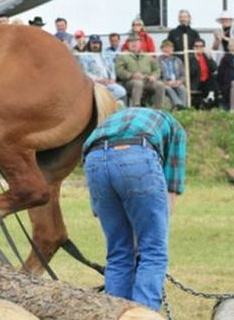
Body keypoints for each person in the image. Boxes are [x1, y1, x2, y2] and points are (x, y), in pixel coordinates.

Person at [83, 107, 186, 311]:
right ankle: (143, 313)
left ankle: (114, 313)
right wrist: (149, 232)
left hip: (94, 161)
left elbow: (87, 151)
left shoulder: (112, 122)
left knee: (118, 252)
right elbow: (171, 190)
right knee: (153, 251)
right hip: (137, 156)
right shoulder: (175, 128)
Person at [116, 35, 165, 108]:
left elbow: (157, 68)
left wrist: (154, 76)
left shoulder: (147, 56)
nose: (134, 44)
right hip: (129, 82)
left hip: (146, 81)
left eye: (136, 42)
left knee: (160, 84)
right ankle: (136, 108)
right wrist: (132, 75)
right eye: (131, 42)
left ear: (140, 44)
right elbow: (119, 71)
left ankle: (158, 109)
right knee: (138, 83)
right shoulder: (122, 56)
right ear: (127, 44)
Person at [81, 34, 126, 104]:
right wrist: (99, 80)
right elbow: (85, 73)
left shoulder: (105, 54)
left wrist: (112, 79)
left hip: (108, 82)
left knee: (121, 91)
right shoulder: (85, 56)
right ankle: (107, 104)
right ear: (89, 44)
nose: (95, 45)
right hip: (95, 83)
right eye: (93, 43)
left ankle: (103, 103)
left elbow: (112, 68)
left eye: (97, 43)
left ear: (100, 44)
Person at [188, 38, 219, 108]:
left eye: (201, 46)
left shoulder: (206, 56)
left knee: (213, 78)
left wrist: (210, 58)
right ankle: (210, 98)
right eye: (196, 46)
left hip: (207, 81)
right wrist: (196, 59)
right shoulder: (190, 57)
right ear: (193, 47)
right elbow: (192, 72)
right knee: (212, 84)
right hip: (197, 81)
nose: (198, 48)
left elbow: (214, 69)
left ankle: (210, 97)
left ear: (203, 47)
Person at [158, 40, 186, 109]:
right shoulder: (157, 61)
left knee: (182, 88)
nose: (167, 49)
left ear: (172, 49)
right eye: (165, 47)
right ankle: (179, 105)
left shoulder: (177, 60)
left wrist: (179, 81)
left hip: (176, 81)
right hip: (164, 83)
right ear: (161, 49)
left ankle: (183, 108)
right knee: (168, 88)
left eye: (170, 48)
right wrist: (166, 82)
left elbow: (183, 74)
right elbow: (156, 77)